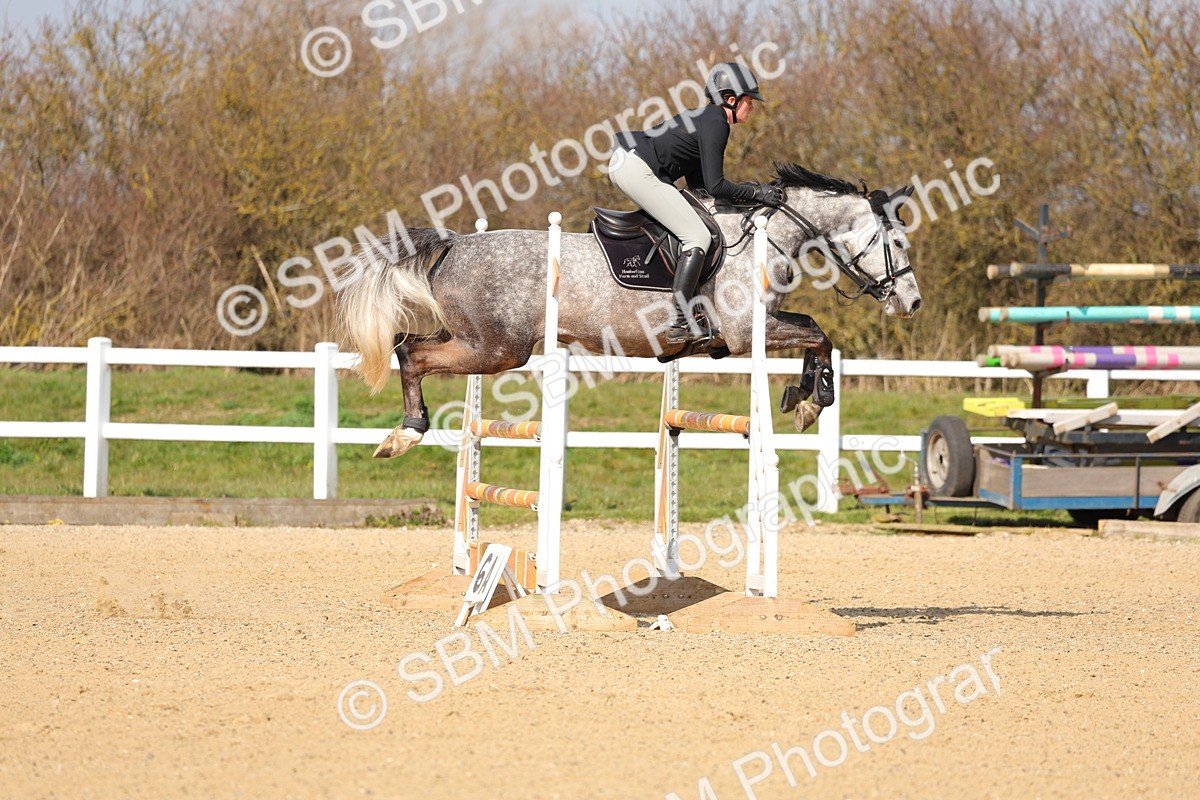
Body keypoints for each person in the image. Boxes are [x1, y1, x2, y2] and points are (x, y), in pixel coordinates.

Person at [609, 62, 786, 344]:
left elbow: (701, 187)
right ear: (731, 99)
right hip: (636, 166)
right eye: (749, 101)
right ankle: (680, 321)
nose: (752, 107)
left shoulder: (706, 118)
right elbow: (717, 185)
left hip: (630, 160)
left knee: (696, 222)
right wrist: (758, 194)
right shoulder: (717, 124)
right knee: (697, 236)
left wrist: (745, 200)